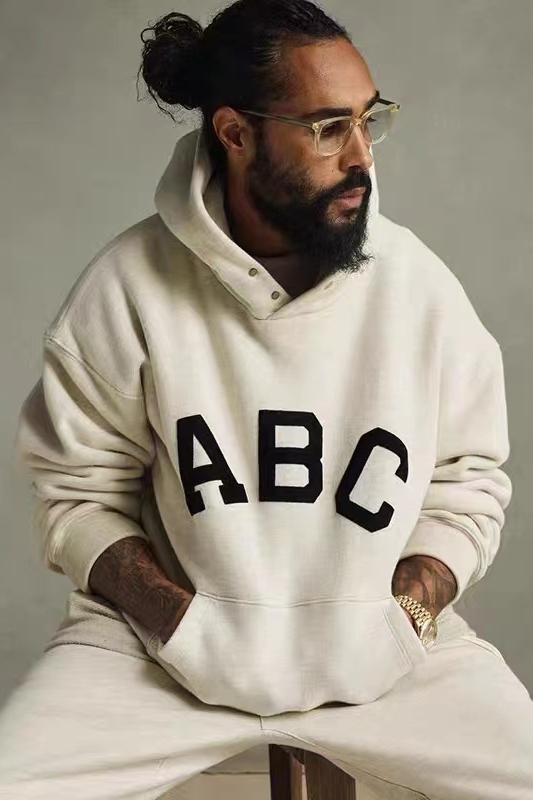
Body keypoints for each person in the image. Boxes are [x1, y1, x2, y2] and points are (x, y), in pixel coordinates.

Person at [2, 0, 533, 797]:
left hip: (387, 662)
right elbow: (77, 499)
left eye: (368, 119)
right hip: (158, 662)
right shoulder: (126, 287)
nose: (361, 155)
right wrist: (182, 624)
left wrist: (402, 621)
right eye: (327, 128)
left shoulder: (421, 290)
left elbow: (468, 485)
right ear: (235, 133)